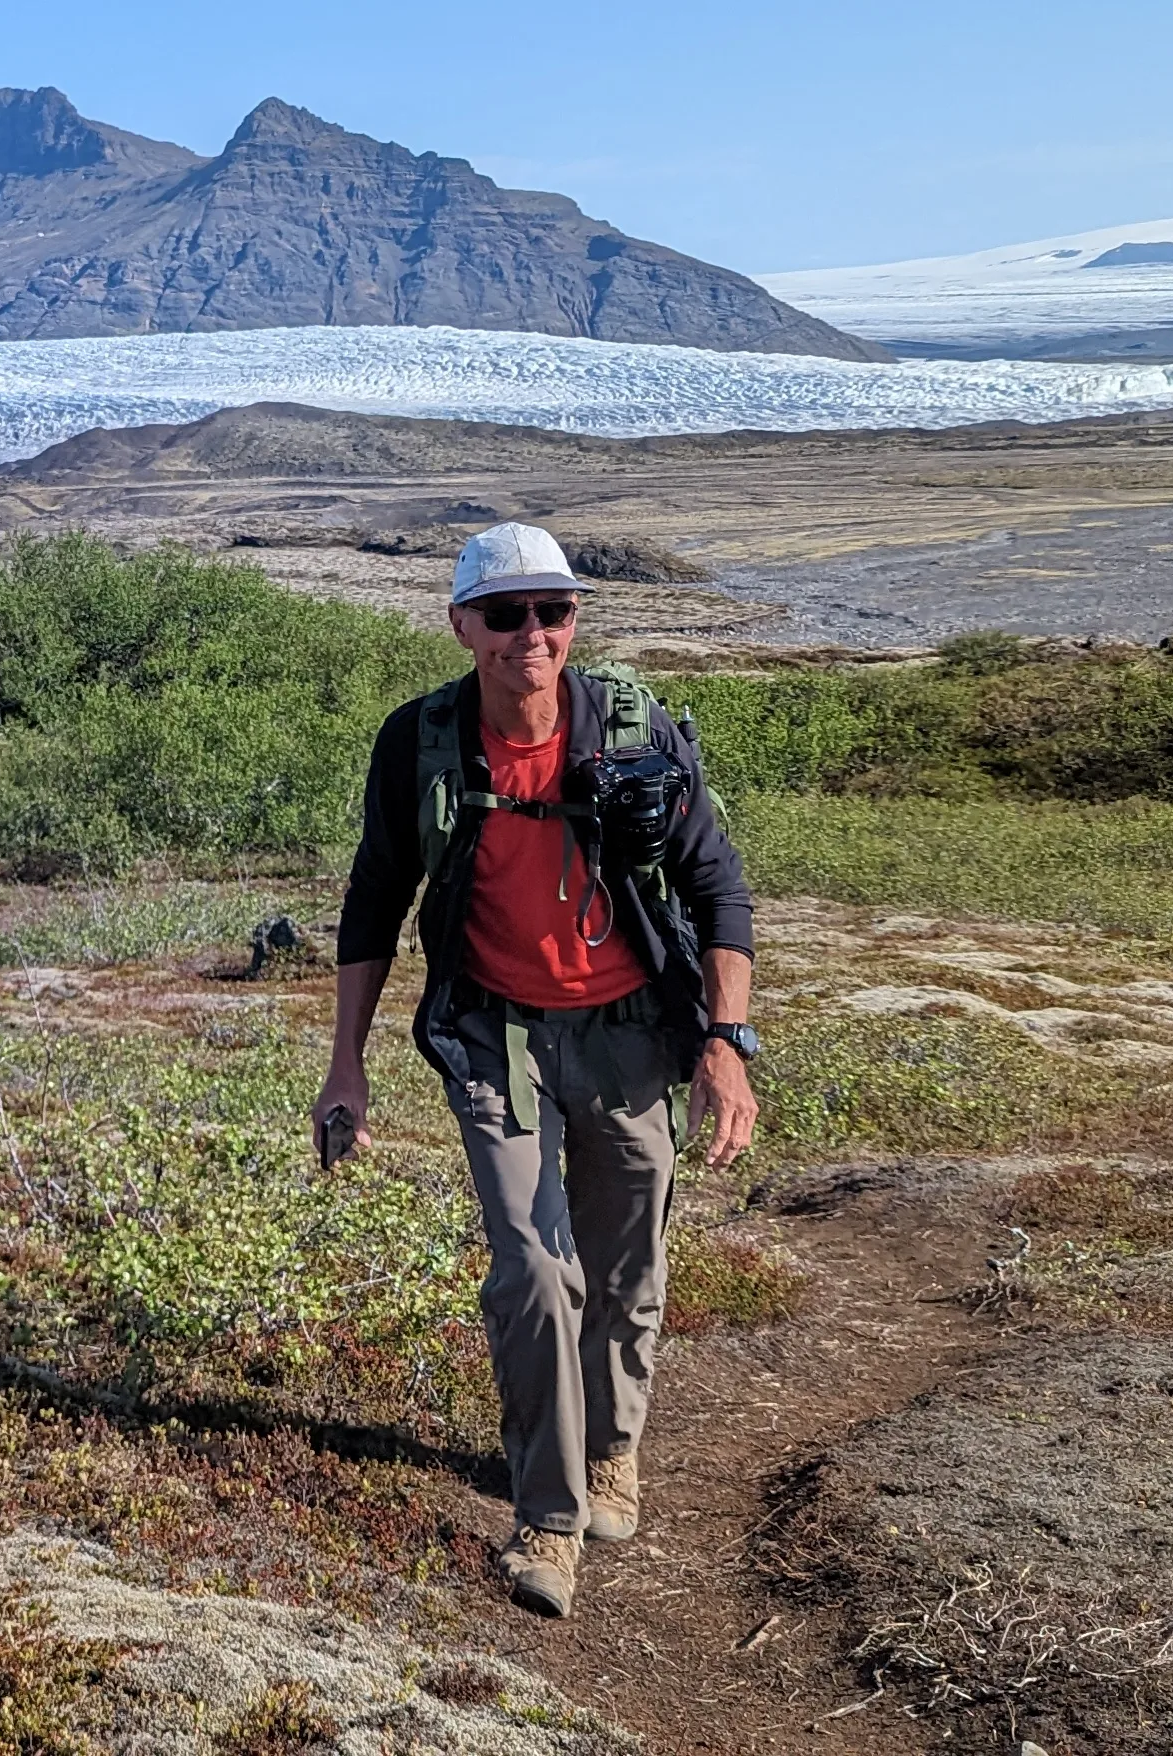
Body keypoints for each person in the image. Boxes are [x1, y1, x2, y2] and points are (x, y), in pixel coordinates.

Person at [311, 522, 758, 1620]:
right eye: (505, 615)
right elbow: (376, 898)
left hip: (626, 1033)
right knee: (531, 1267)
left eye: (551, 611)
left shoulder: (633, 728)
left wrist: (723, 1043)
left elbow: (720, 890)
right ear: (461, 625)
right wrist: (346, 1069)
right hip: (493, 1032)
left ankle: (613, 1452)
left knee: (625, 1260)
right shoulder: (420, 742)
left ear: (574, 620)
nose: (531, 636)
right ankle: (548, 1520)